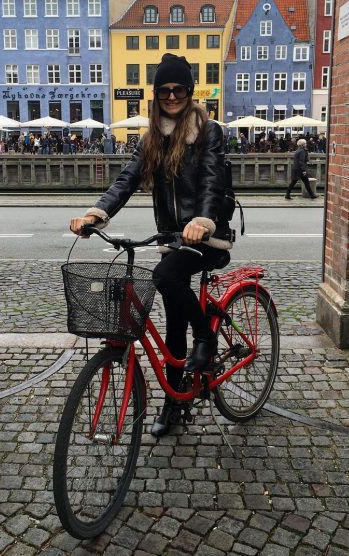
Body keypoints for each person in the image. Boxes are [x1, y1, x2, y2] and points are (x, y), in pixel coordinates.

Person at [70, 53, 234, 437]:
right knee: (174, 326)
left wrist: (202, 221)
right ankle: (176, 403)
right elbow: (126, 181)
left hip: (207, 236)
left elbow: (212, 181)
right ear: (156, 96)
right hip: (172, 240)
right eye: (165, 91)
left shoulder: (208, 132)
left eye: (178, 90)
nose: (172, 96)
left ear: (189, 93)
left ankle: (207, 337)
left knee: (164, 276)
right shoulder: (152, 139)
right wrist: (96, 214)